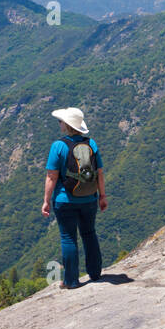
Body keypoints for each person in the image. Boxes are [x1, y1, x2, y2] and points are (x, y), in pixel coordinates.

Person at [41, 106, 107, 289]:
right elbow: (99, 173)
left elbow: (51, 176)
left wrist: (46, 201)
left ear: (66, 125)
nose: (59, 123)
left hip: (65, 200)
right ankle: (95, 273)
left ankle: (71, 281)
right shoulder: (91, 144)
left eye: (60, 121)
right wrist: (102, 196)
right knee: (89, 233)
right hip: (89, 199)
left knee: (68, 238)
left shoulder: (58, 146)